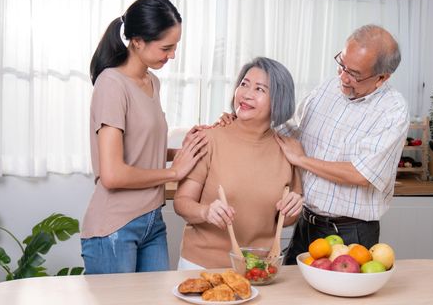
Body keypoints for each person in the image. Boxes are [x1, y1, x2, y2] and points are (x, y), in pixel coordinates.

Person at [81, 0, 208, 274]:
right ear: (137, 41)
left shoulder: (152, 81)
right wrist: (174, 172)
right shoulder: (112, 85)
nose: (172, 54)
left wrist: (183, 151)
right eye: (167, 47)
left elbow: (138, 148)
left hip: (152, 220)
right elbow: (112, 174)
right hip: (115, 227)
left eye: (175, 47)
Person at [274, 24, 410, 265]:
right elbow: (289, 130)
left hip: (350, 234)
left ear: (382, 78)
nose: (343, 77)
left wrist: (302, 160)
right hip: (306, 224)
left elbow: (360, 173)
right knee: (293, 298)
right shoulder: (327, 88)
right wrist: (241, 124)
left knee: (342, 303)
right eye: (342, 64)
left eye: (354, 74)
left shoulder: (393, 111)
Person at [173, 57, 304, 269]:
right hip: (201, 266)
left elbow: (285, 220)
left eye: (260, 89)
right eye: (244, 84)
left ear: (279, 100)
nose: (246, 94)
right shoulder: (209, 139)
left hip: (259, 268)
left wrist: (293, 209)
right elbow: (181, 202)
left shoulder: (289, 150)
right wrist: (205, 212)